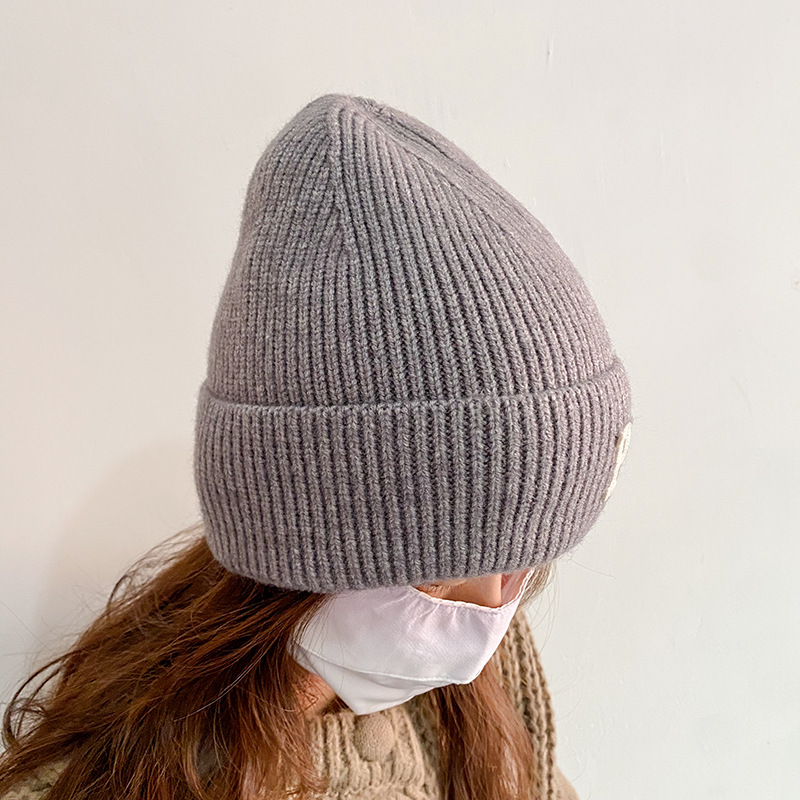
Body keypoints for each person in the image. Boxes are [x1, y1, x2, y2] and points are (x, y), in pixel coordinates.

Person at [0, 93, 633, 800]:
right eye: (448, 564)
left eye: (523, 556)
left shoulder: (486, 702)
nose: (491, 611)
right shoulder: (123, 783)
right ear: (305, 531)